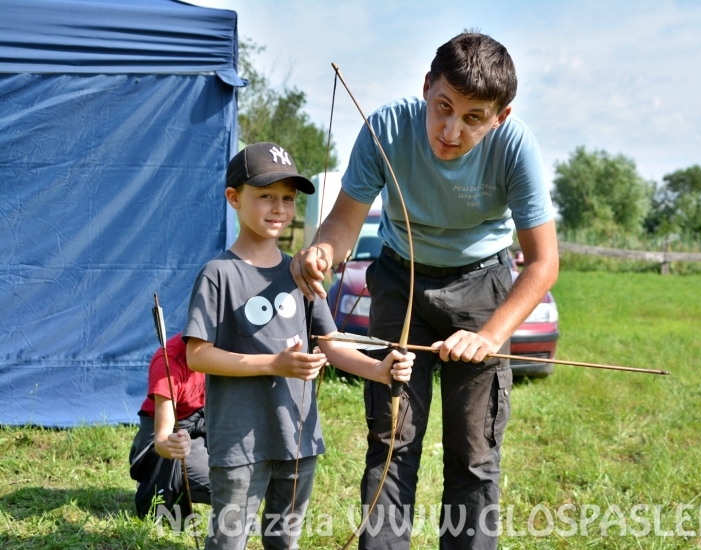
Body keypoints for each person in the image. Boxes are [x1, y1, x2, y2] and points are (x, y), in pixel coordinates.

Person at [291, 32, 560, 549]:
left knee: (474, 451)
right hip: (401, 280)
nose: (451, 131)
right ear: (425, 88)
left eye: (473, 118)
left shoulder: (516, 147)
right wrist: (323, 251)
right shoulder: (387, 127)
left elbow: (543, 262)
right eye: (442, 107)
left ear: (499, 117)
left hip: (483, 284)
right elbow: (342, 224)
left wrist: (488, 334)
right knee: (392, 441)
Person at [183, 142, 415, 550]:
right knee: (228, 541)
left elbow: (330, 344)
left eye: (288, 199)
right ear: (234, 199)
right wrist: (275, 363)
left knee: (284, 541)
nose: (279, 208)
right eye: (266, 196)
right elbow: (197, 354)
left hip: (298, 439)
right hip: (239, 443)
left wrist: (378, 370)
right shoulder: (218, 273)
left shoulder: (300, 273)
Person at [129, 332, 210, 520]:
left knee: (244, 473)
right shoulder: (168, 361)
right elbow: (162, 439)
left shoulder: (227, 348)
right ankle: (158, 479)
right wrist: (175, 445)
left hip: (206, 420)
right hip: (173, 429)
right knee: (224, 485)